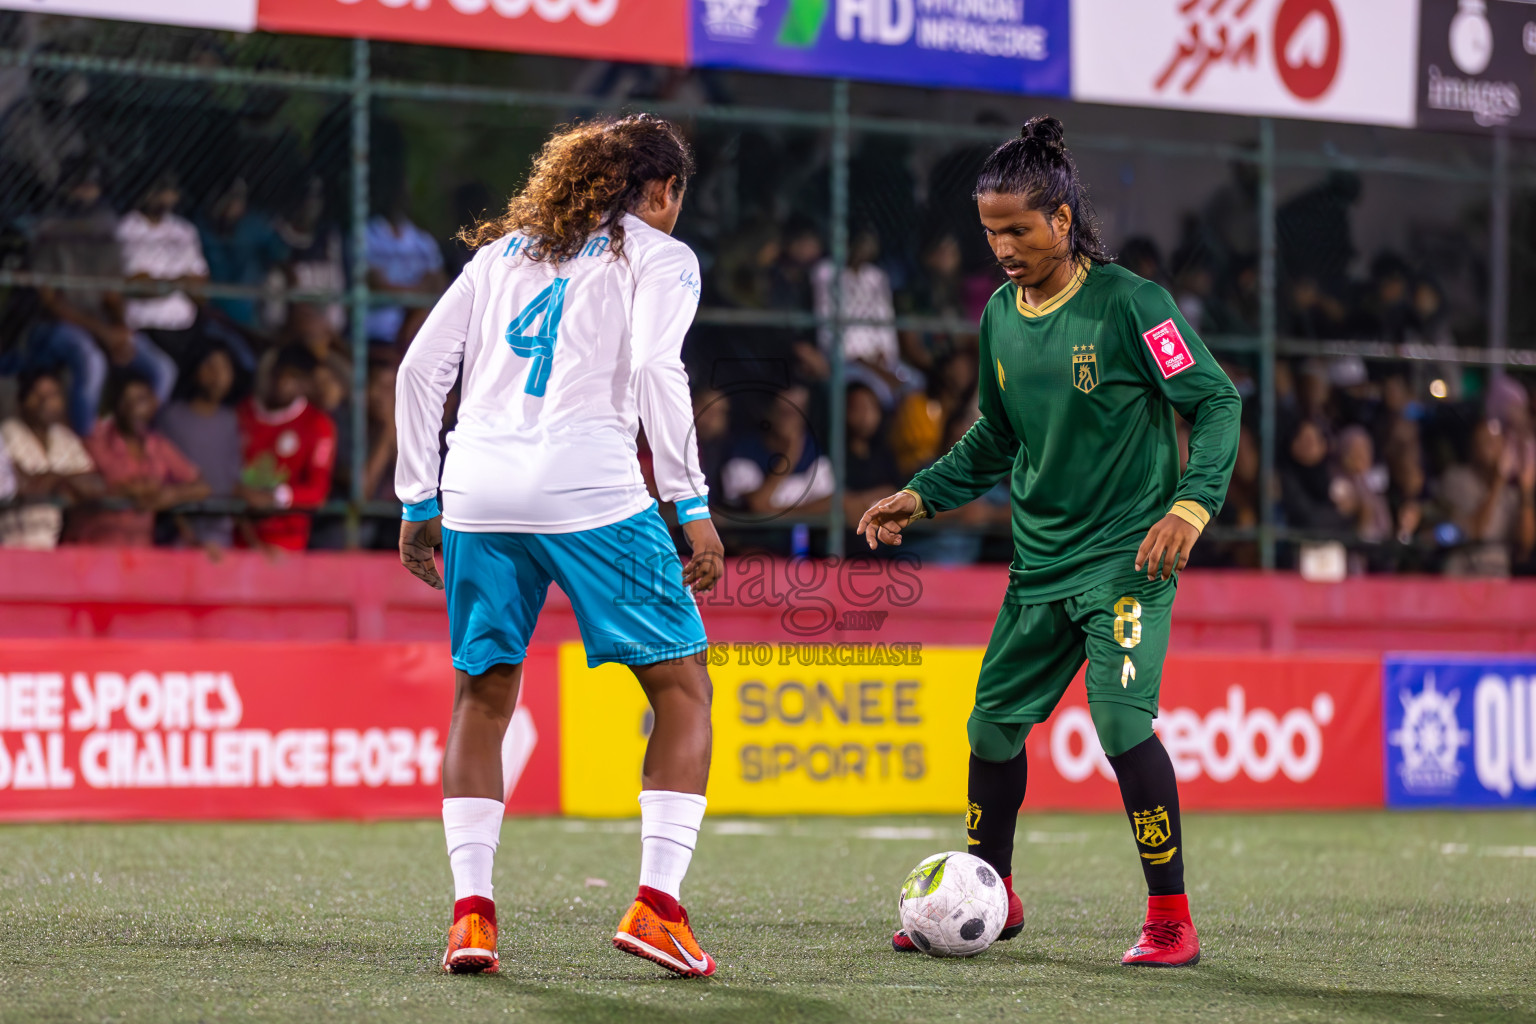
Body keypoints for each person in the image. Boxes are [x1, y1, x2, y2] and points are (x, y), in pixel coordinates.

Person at [858, 117, 1240, 968]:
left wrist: (1190, 506)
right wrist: (922, 494)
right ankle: (992, 897)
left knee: (1119, 722)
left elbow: (1216, 403)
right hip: (1038, 566)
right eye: (990, 231)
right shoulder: (999, 315)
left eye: (1018, 230)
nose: (1001, 247)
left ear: (1062, 220)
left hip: (1127, 562)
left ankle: (1171, 918)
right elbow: (995, 439)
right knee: (991, 730)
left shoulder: (1133, 304)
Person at [394, 114, 724, 978]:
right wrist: (689, 503)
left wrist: (416, 496)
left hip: (476, 493)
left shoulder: (502, 254)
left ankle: (472, 917)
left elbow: (419, 371)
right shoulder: (661, 255)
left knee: (483, 695)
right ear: (662, 190)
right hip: (591, 491)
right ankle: (657, 907)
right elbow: (659, 370)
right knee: (683, 688)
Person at [13, 162, 179, 434]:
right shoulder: (49, 230)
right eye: (80, 186)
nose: (85, 193)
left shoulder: (105, 231)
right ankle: (88, 443)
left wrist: (120, 329)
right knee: (92, 361)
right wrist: (103, 332)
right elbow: (51, 303)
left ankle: (144, 441)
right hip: (51, 327)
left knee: (163, 369)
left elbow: (112, 295)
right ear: (66, 189)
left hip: (98, 324)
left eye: (91, 187)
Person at [75, 371, 209, 547]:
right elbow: (74, 483)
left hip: (139, 554)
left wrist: (171, 495)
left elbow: (202, 487)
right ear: (114, 404)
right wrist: (125, 490)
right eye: (126, 400)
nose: (134, 407)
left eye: (142, 399)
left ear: (153, 404)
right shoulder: (96, 439)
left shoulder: (158, 445)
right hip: (94, 550)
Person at [236, 345, 337, 552]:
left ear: (307, 384)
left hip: (286, 544)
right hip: (235, 540)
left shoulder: (318, 425)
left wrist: (275, 497)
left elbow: (317, 491)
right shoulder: (241, 414)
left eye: (295, 377)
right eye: (281, 374)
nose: (284, 383)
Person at [0, 370, 100, 549]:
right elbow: (21, 485)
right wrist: (63, 479)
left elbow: (95, 483)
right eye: (37, 395)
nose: (45, 402)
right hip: (12, 543)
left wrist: (52, 479)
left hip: (51, 546)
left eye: (52, 395)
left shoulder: (65, 438)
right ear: (22, 401)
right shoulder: (8, 432)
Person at [157, 347, 242, 548]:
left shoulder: (230, 421)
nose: (218, 375)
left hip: (220, 534)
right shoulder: (171, 418)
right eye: (210, 366)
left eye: (224, 368)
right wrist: (187, 534)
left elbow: (233, 478)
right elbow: (160, 476)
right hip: (176, 533)